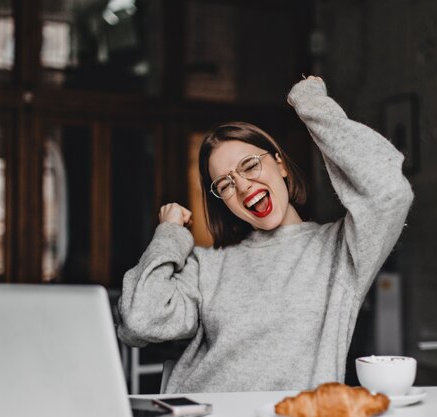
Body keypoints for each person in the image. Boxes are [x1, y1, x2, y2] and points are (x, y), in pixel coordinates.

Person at [117, 76, 414, 393]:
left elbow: (388, 193)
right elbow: (139, 320)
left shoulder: (339, 251)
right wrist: (170, 234)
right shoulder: (208, 266)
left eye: (249, 166)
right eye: (226, 184)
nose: (242, 186)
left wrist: (311, 103)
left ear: (280, 164)